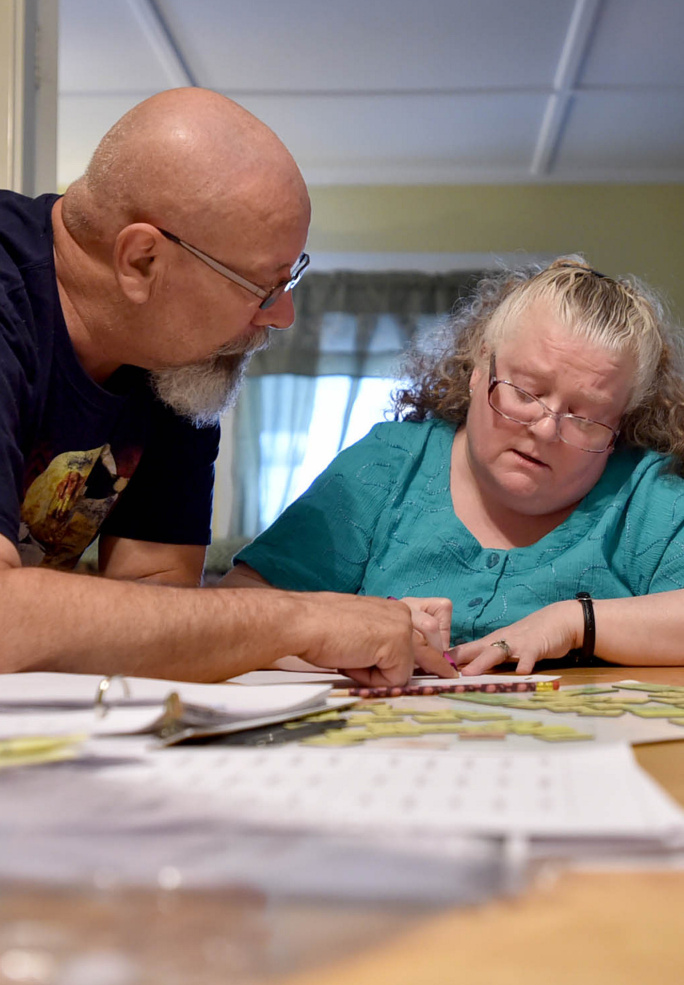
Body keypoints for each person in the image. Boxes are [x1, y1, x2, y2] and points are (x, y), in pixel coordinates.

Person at [0, 86, 452, 686]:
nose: (283, 316)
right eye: (263, 286)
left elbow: (159, 602)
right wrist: (297, 619)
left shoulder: (179, 363)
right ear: (142, 261)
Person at [226, 256, 684, 675]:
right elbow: (234, 609)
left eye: (586, 417)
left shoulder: (648, 495)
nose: (546, 430)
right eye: (525, 392)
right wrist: (346, 626)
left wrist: (574, 621)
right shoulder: (388, 464)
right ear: (480, 366)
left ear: (620, 424)